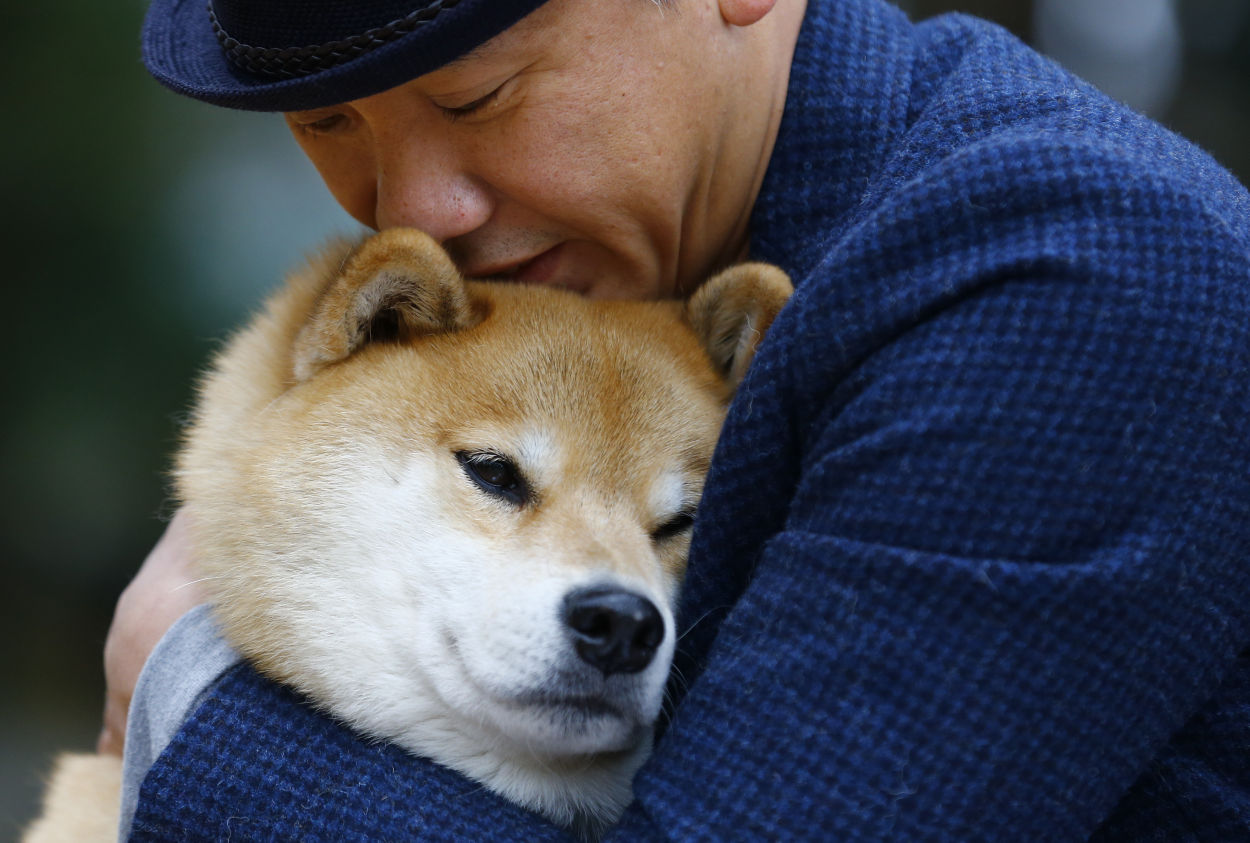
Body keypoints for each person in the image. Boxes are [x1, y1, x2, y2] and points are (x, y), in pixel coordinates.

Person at [107, 0, 1250, 838]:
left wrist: (195, 700)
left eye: (476, 98)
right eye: (330, 126)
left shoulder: (1066, 282)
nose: (416, 210)